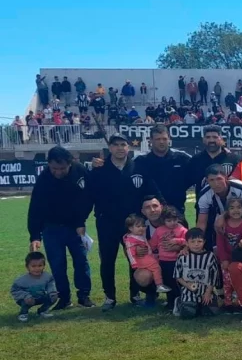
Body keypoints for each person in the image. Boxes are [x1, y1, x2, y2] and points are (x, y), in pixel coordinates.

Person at [88, 134, 163, 311]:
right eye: (116, 145)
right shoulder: (99, 169)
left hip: (134, 225)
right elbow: (88, 196)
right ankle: (109, 297)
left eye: (123, 144)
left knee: (136, 259)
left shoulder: (138, 168)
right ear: (110, 148)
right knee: (107, 260)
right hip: (107, 223)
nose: (120, 148)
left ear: (128, 147)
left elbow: (153, 191)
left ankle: (135, 294)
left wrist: (161, 210)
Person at [27, 146, 93, 310]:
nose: (58, 172)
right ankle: (64, 298)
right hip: (51, 228)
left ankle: (84, 296)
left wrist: (80, 222)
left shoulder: (80, 171)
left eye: (62, 168)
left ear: (70, 163)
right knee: (57, 264)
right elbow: (35, 208)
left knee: (81, 261)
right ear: (48, 164)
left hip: (75, 227)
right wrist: (35, 235)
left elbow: (88, 198)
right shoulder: (44, 179)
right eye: (54, 168)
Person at [133, 125, 191, 213]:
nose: (161, 142)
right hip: (150, 213)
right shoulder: (140, 160)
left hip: (176, 212)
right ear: (151, 140)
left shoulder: (181, 158)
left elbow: (199, 168)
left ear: (169, 139)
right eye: (157, 139)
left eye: (164, 139)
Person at [196, 164, 242, 250]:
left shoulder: (241, 189)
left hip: (241, 219)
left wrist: (223, 216)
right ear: (207, 181)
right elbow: (202, 222)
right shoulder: (204, 195)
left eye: (219, 179)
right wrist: (196, 241)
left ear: (226, 178)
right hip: (218, 224)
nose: (216, 184)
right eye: (211, 180)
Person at [215, 198, 242, 312]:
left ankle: (241, 303)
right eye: (232, 208)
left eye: (238, 207)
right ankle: (228, 303)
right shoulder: (223, 225)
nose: (235, 210)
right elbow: (220, 244)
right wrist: (223, 259)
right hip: (226, 259)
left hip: (239, 260)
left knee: (238, 281)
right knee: (227, 282)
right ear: (227, 211)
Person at [186, 125, 241, 204]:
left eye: (215, 137)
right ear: (203, 139)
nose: (211, 140)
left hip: (230, 207)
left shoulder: (233, 159)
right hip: (203, 207)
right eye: (208, 137)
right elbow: (186, 183)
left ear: (220, 138)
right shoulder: (195, 160)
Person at [173, 228, 221, 318]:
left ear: (204, 242)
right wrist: (187, 285)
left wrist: (208, 292)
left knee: (211, 313)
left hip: (206, 289)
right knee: (188, 315)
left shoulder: (210, 256)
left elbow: (213, 276)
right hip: (189, 289)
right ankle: (180, 302)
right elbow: (177, 276)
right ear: (187, 243)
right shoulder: (183, 257)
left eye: (199, 241)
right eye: (192, 241)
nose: (196, 244)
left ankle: (199, 305)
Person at [149, 206, 188, 304]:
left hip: (178, 260)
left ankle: (181, 300)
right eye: (169, 220)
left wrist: (177, 240)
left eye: (174, 220)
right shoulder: (159, 230)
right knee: (167, 281)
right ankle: (170, 302)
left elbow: (188, 242)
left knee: (178, 282)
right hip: (164, 261)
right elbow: (153, 244)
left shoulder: (182, 229)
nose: (172, 223)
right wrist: (152, 253)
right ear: (164, 220)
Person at [123, 214, 170, 293]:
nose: (141, 228)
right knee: (156, 267)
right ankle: (159, 285)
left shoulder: (139, 235)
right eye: (138, 226)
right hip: (141, 260)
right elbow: (130, 253)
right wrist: (134, 264)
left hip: (148, 256)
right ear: (130, 228)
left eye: (143, 226)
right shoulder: (130, 240)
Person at [11, 252, 58, 322]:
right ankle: (23, 313)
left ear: (44, 266)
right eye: (33, 266)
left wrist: (52, 292)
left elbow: (50, 285)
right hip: (26, 299)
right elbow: (15, 290)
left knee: (53, 297)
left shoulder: (47, 277)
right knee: (27, 301)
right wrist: (26, 296)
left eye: (40, 265)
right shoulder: (21, 280)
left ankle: (42, 311)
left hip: (39, 296)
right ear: (27, 267)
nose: (37, 268)